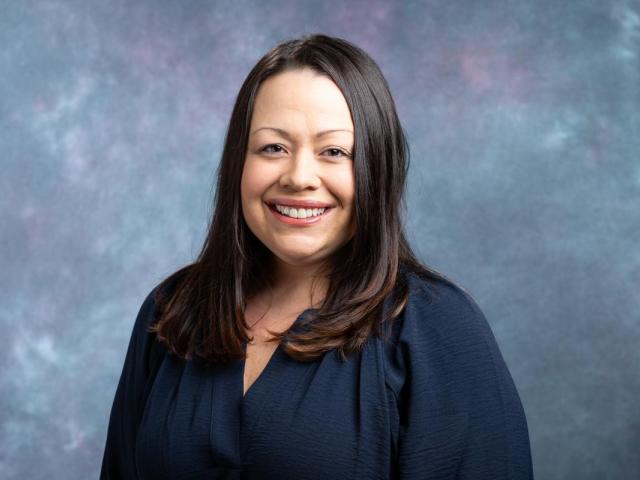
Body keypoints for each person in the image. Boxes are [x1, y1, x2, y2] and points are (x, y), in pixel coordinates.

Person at [100, 33, 534, 479]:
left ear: (375, 169)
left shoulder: (437, 328)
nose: (300, 177)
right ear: (238, 163)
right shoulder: (170, 312)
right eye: (273, 147)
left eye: (334, 152)